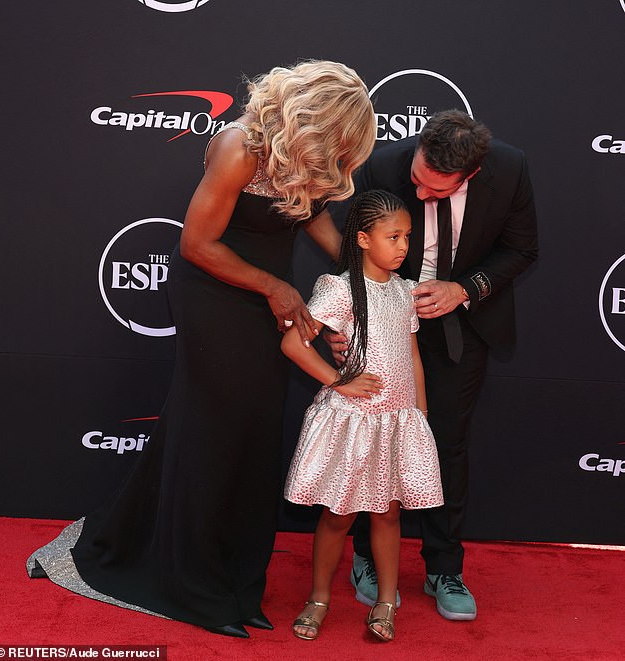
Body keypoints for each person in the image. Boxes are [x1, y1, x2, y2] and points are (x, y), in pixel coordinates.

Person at [26, 60, 376, 639]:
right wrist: (275, 286)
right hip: (216, 296)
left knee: (253, 439)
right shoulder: (240, 147)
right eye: (339, 139)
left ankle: (237, 584)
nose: (342, 153)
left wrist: (354, 265)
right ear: (313, 119)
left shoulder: (300, 156)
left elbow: (309, 210)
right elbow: (196, 244)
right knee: (214, 437)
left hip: (269, 301)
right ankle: (192, 585)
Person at [324, 110, 538, 621]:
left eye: (437, 192)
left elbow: (522, 249)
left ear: (472, 175)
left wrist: (464, 289)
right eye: (417, 181)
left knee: (445, 443)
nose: (420, 196)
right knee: (368, 442)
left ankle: (445, 567)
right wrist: (341, 325)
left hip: (460, 323)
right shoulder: (382, 167)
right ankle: (367, 561)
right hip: (380, 324)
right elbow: (350, 248)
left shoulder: (510, 169)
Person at [282, 190, 444, 642]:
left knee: (389, 514)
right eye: (393, 236)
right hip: (352, 421)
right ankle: (318, 598)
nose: (403, 247)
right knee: (338, 514)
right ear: (363, 239)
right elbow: (294, 343)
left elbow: (412, 356)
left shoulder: (406, 292)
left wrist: (421, 416)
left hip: (398, 420)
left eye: (408, 237)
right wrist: (340, 381)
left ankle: (386, 602)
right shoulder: (338, 288)